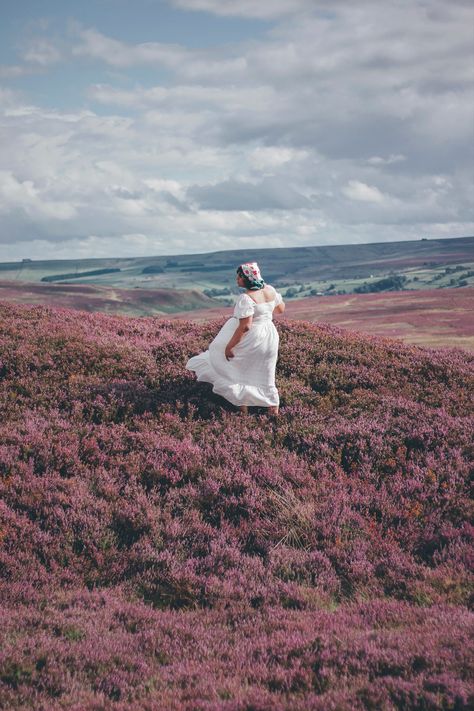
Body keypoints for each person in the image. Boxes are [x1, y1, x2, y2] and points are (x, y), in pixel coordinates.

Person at [186, 262, 285, 416]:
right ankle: (273, 412)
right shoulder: (270, 290)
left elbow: (245, 326)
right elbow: (280, 309)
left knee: (236, 370)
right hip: (270, 336)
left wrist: (229, 347)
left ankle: (243, 409)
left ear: (247, 278)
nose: (237, 279)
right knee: (266, 372)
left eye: (239, 277)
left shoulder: (246, 298)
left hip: (253, 338)